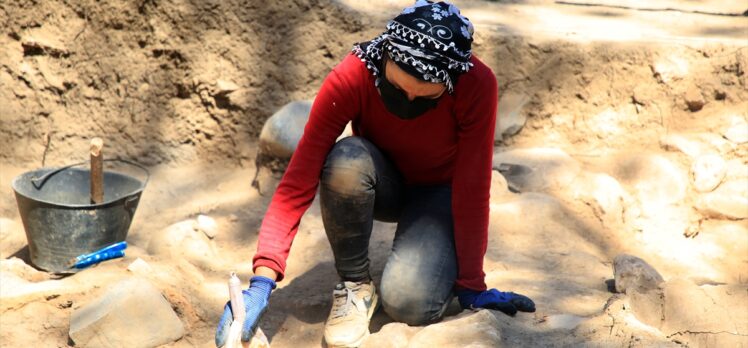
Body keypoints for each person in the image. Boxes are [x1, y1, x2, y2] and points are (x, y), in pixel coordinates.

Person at [215, 1, 535, 347]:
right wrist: (262, 281)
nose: (409, 100)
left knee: (412, 305)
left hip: (437, 193)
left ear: (450, 81)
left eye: (423, 97)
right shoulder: (355, 72)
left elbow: (472, 186)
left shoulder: (476, 84)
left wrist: (472, 284)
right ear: (386, 59)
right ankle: (355, 284)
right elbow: (299, 177)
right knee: (345, 159)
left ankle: (425, 266)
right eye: (398, 90)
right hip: (378, 180)